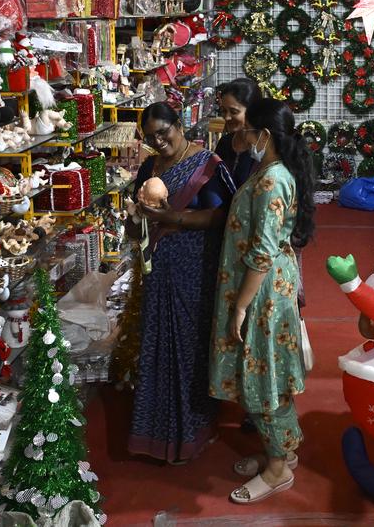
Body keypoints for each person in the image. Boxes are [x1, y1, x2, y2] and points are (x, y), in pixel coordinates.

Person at [209, 98, 316, 504]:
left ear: (264, 135)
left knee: (264, 378)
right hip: (264, 289)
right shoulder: (269, 171)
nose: (241, 135)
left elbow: (263, 250)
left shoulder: (272, 180)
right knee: (261, 373)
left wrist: (241, 305)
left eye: (246, 130)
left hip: (263, 294)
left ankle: (277, 471)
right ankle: (279, 453)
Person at [126, 102, 238, 464]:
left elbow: (221, 215)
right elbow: (136, 210)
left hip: (194, 269)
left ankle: (194, 428)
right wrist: (136, 220)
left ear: (180, 125)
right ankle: (156, 431)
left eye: (164, 131)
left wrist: (171, 216)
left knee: (189, 344)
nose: (159, 141)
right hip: (158, 270)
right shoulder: (149, 166)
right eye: (151, 137)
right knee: (158, 341)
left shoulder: (205, 165)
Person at [214, 77, 260, 184]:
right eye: (223, 111)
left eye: (234, 112)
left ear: (252, 111)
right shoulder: (224, 143)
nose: (227, 117)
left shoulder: (263, 148)